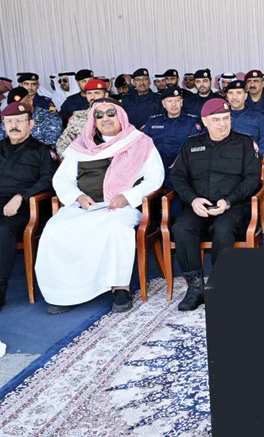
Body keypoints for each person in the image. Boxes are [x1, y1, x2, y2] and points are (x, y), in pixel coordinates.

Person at [35, 99, 164, 314]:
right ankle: (66, 292)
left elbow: (155, 177)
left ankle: (120, 287)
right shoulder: (81, 146)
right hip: (85, 206)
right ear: (93, 121)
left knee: (115, 228)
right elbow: (62, 179)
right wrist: (77, 196)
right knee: (54, 229)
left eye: (111, 113)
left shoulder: (140, 142)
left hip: (121, 207)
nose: (105, 118)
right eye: (99, 115)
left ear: (121, 116)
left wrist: (128, 196)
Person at [170, 98, 261, 311]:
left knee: (223, 229)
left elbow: (252, 178)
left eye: (226, 118)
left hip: (233, 205)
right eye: (217, 120)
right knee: (181, 228)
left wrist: (228, 201)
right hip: (199, 205)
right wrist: (193, 199)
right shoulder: (191, 144)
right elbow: (178, 176)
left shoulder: (244, 143)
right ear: (204, 121)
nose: (223, 124)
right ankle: (196, 288)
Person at [0, 102, 58, 309]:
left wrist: (21, 196)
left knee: (3, 229)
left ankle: (0, 288)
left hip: (26, 207)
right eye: (9, 121)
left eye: (19, 121)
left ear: (31, 124)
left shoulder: (42, 151)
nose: (14, 125)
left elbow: (48, 181)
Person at [141, 87, 202, 186]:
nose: (174, 104)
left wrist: (181, 159)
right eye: (170, 101)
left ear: (181, 102)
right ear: (163, 104)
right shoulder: (153, 122)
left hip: (181, 167)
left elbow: (196, 146)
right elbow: (141, 143)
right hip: (155, 166)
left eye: (177, 101)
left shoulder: (191, 122)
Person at [56, 79, 111, 155]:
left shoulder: (116, 114)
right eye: (89, 93)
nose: (92, 97)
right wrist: (70, 157)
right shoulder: (78, 117)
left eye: (97, 93)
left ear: (106, 95)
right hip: (83, 158)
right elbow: (63, 142)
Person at [225, 80, 264, 155]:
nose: (234, 97)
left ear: (245, 96)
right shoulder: (220, 117)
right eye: (231, 93)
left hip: (249, 158)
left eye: (239, 93)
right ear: (227, 97)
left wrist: (255, 155)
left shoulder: (258, 117)